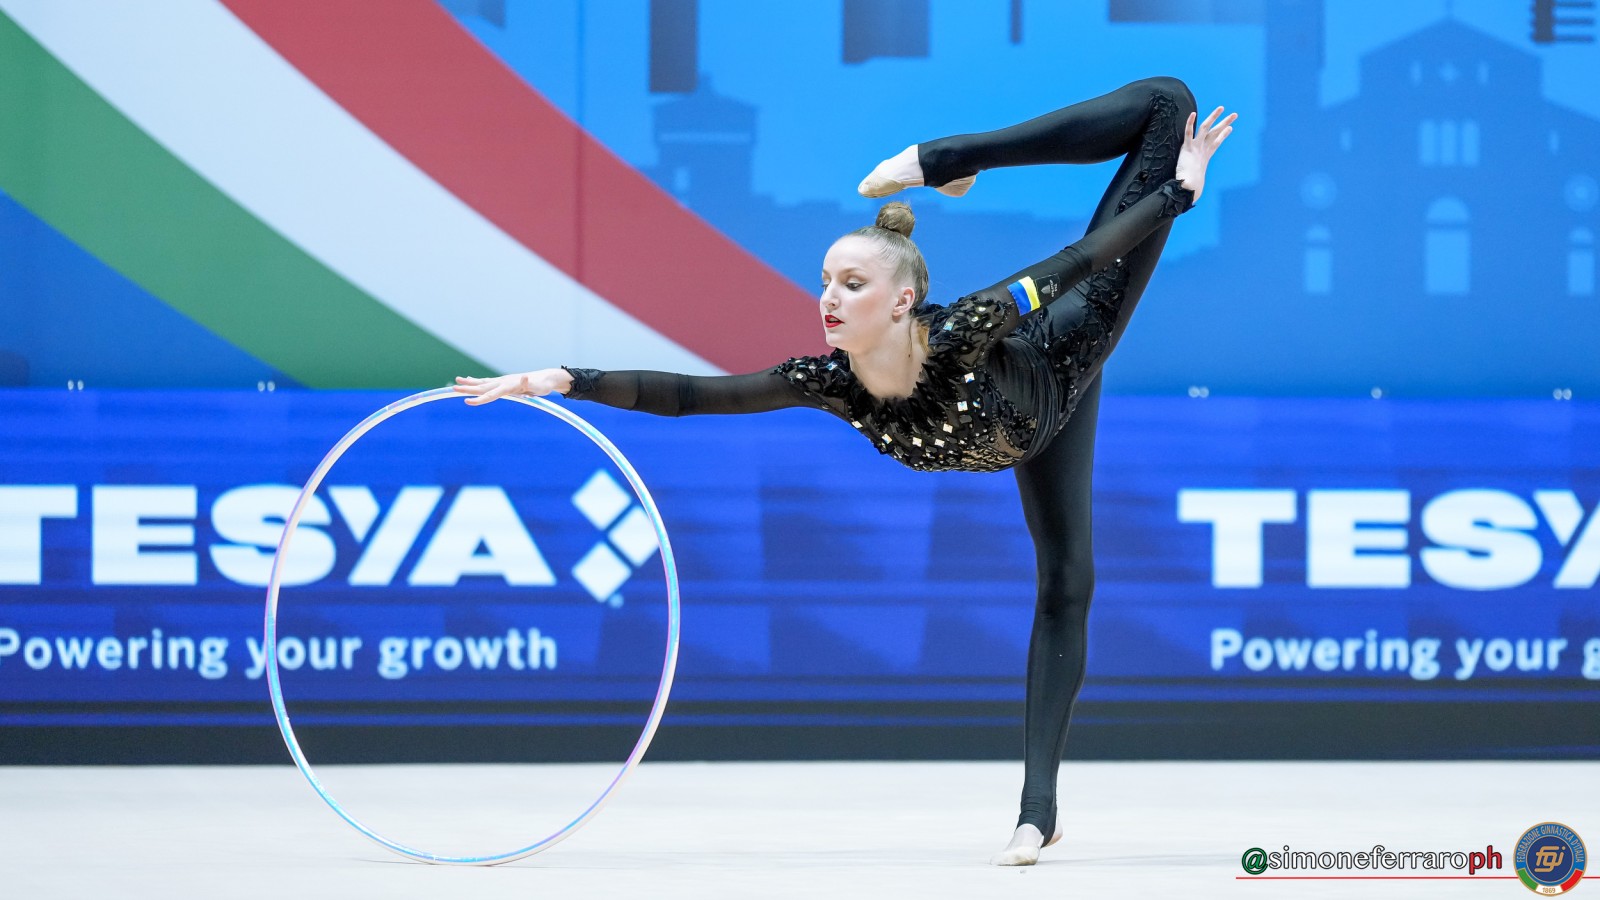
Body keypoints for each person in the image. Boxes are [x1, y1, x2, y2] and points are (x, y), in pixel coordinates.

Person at [455, 77, 1234, 866]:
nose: (828, 298)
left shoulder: (967, 328)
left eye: (851, 285)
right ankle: (1043, 815)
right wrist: (563, 379)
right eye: (826, 281)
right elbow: (692, 397)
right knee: (1064, 580)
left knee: (1168, 105)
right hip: (1025, 429)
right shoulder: (828, 381)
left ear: (902, 302)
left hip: (1065, 349)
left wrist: (1178, 195)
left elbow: (1080, 259)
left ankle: (948, 157)